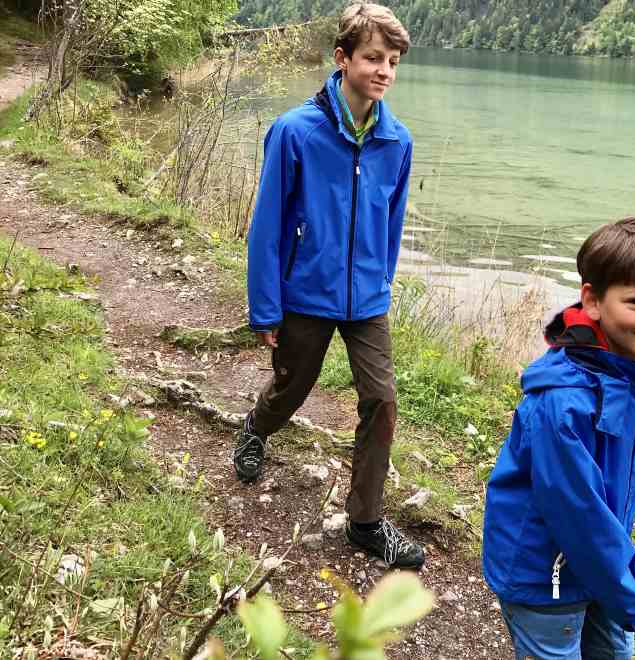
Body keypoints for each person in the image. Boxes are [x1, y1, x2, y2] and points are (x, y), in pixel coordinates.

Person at [236, 2, 424, 570]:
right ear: (342, 58)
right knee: (292, 388)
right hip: (304, 294)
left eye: (392, 61)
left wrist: (380, 282)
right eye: (372, 57)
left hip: (367, 300)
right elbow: (266, 227)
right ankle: (256, 426)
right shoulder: (295, 132)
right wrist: (264, 308)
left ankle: (365, 521)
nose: (384, 70)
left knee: (382, 401)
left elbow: (392, 223)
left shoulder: (397, 141)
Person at [482, 217, 635, 659]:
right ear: (592, 301)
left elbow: (610, 495)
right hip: (546, 573)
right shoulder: (564, 403)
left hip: (601, 562)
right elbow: (578, 510)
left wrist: (619, 576)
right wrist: (632, 594)